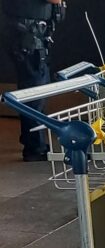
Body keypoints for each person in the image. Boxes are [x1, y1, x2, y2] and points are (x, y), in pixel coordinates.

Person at [1, 0, 64, 161]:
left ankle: (35, 142)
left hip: (26, 30)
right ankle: (35, 147)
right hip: (28, 33)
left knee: (36, 88)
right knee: (35, 91)